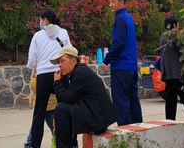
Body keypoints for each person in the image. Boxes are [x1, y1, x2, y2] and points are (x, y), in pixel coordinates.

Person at [52, 46, 117, 148]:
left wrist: (57, 82)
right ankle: (72, 145)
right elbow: (69, 99)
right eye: (59, 62)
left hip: (98, 121)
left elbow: (67, 98)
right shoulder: (79, 70)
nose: (59, 65)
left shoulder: (80, 73)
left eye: (62, 61)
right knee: (63, 109)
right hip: (97, 117)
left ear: (73, 61)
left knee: (61, 110)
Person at [26, 9, 71, 148]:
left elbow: (32, 59)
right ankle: (69, 142)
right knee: (66, 108)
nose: (40, 22)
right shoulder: (63, 33)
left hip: (43, 76)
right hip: (60, 73)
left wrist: (37, 68)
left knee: (39, 113)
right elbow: (69, 51)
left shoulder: (38, 36)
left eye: (41, 20)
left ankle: (35, 145)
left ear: (45, 20)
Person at [102, 0, 142, 125]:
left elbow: (119, 42)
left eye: (113, 2)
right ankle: (139, 128)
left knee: (121, 102)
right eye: (109, 2)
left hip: (121, 66)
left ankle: (126, 131)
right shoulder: (128, 17)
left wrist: (107, 60)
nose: (110, 5)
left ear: (121, 2)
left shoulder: (120, 19)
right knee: (133, 100)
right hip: (131, 66)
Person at [24, 73, 55, 148]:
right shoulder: (36, 73)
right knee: (36, 126)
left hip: (51, 105)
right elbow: (33, 87)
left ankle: (58, 141)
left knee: (54, 127)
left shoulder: (53, 71)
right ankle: (29, 144)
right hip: (39, 105)